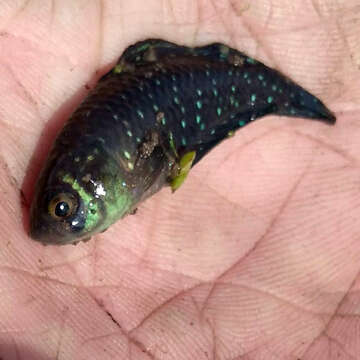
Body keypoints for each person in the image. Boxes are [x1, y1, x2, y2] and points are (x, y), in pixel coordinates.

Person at [0, 1, 357, 359]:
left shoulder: (114, 154)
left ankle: (276, 94)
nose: (64, 219)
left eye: (64, 207)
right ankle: (274, 95)